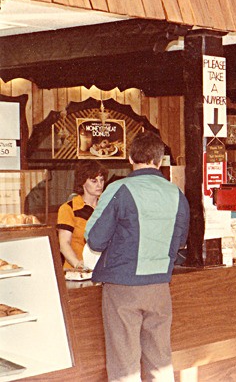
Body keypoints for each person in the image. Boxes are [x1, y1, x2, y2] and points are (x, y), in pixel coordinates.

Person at [84, 131, 190, 381]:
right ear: (160, 160)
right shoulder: (176, 194)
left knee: (125, 365)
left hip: (123, 287)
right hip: (160, 287)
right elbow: (180, 242)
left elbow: (95, 239)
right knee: (160, 361)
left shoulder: (119, 189)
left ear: (130, 157)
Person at [56, 160, 108, 269]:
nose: (99, 185)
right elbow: (64, 244)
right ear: (82, 181)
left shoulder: (107, 207)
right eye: (94, 181)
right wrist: (77, 264)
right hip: (76, 270)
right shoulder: (68, 208)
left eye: (102, 180)